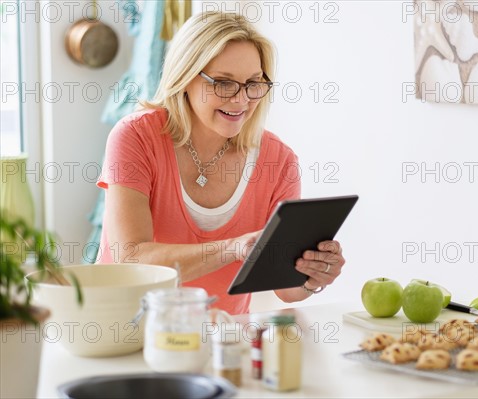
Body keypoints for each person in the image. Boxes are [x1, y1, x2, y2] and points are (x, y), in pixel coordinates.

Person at [96, 11, 345, 314]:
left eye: (253, 83)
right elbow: (131, 259)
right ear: (185, 77)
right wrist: (232, 248)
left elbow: (286, 287)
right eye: (224, 83)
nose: (241, 100)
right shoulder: (136, 137)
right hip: (128, 331)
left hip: (224, 341)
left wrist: (311, 277)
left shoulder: (278, 161)